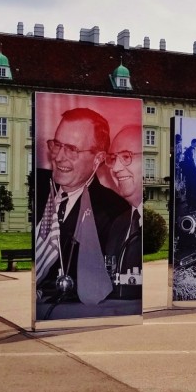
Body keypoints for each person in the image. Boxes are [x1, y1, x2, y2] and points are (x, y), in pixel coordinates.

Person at [35, 107, 131, 318]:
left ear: (98, 159)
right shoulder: (35, 187)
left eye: (71, 149)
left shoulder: (115, 213)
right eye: (57, 145)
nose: (59, 157)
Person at [104, 125, 143, 299]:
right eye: (112, 158)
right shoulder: (119, 223)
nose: (116, 168)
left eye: (126, 156)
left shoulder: (150, 222)